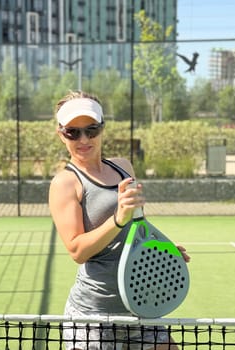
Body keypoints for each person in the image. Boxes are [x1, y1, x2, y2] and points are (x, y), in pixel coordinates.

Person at [48, 90, 190, 350]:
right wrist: (117, 219)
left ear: (103, 129)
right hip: (92, 317)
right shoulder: (65, 183)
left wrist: (160, 251)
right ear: (61, 134)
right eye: (73, 132)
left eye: (91, 130)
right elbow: (77, 250)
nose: (83, 139)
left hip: (141, 304)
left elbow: (138, 227)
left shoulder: (123, 166)